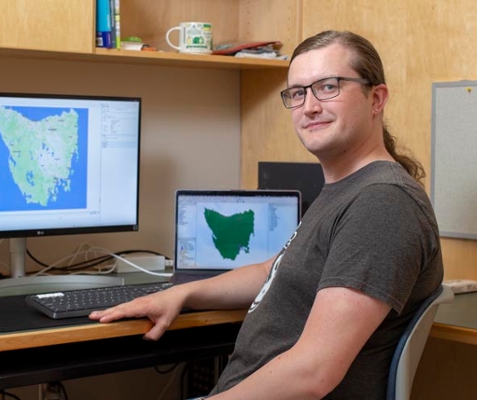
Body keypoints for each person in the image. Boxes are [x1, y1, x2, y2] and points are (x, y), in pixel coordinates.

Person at [90, 30, 444, 399]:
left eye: (328, 87)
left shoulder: (382, 205)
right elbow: (270, 271)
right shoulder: (347, 191)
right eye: (298, 92)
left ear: (377, 99)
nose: (309, 106)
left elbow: (313, 373)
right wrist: (183, 294)